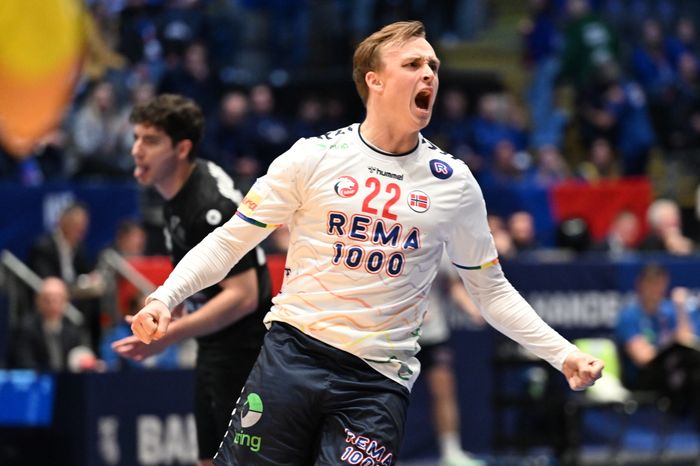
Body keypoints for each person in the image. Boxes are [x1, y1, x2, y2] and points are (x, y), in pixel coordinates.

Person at [128, 21, 603, 466]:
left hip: (375, 386)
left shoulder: (454, 183)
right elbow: (229, 242)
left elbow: (491, 290)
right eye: (413, 64)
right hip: (291, 358)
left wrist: (563, 354)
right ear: (374, 80)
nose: (429, 74)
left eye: (433, 65)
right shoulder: (312, 157)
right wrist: (165, 297)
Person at [111, 94, 272, 466]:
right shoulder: (177, 191)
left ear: (182, 148)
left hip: (244, 353)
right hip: (212, 345)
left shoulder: (208, 204)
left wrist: (170, 334)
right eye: (136, 138)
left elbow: (243, 295)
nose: (136, 150)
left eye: (151, 141)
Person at [418, 255, 487, 466]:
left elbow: (453, 285)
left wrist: (473, 309)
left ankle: (451, 452)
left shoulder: (441, 248)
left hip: (434, 334)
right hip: (396, 335)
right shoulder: (390, 245)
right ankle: (388, 453)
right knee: (391, 395)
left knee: (444, 390)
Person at [614, 263, 700, 430]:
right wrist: (671, 342)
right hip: (642, 377)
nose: (656, 290)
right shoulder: (630, 315)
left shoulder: (668, 312)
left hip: (672, 374)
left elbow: (689, 340)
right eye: (652, 284)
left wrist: (680, 308)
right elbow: (643, 358)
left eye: (660, 284)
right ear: (640, 284)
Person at [27, 202, 105, 352]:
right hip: (53, 296)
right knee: (59, 301)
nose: (80, 230)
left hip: (75, 296)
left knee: (95, 303)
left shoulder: (80, 247)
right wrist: (72, 287)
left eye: (83, 226)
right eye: (76, 225)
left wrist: (91, 279)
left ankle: (94, 350)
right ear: (62, 222)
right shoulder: (43, 246)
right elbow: (47, 280)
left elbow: (85, 272)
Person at [8, 277, 99, 372]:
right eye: (47, 299)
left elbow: (80, 358)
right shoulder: (25, 329)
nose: (52, 304)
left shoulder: (73, 330)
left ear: (66, 301)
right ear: (38, 301)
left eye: (57, 299)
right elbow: (25, 364)